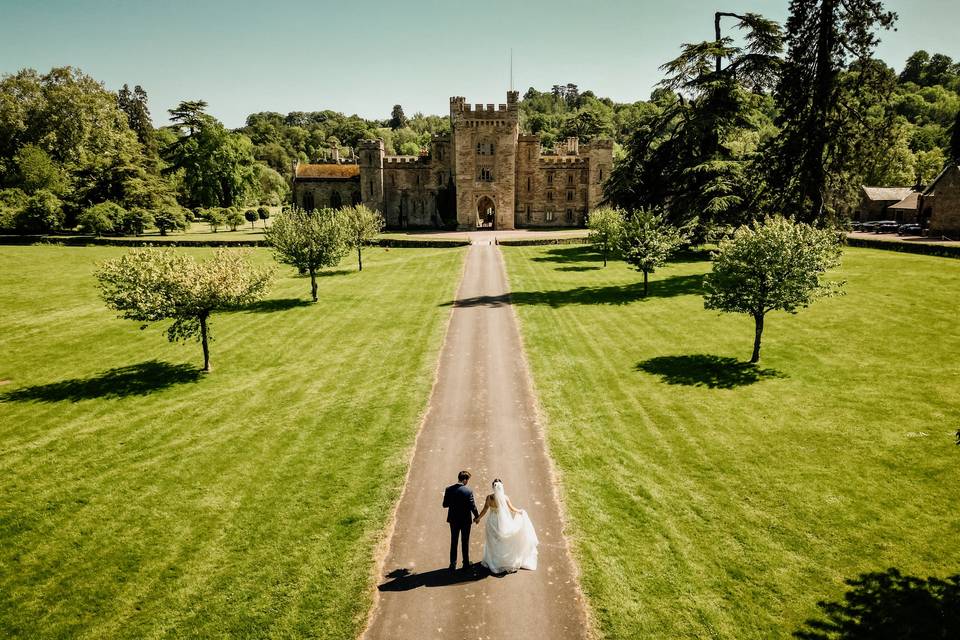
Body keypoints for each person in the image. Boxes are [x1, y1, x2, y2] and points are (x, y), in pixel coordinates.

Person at [474, 479, 539, 574]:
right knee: (502, 540)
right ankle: (502, 560)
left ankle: (493, 561)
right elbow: (512, 509)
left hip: (492, 521)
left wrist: (478, 518)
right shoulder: (505, 498)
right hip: (502, 522)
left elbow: (485, 509)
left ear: (493, 487)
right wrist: (520, 511)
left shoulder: (489, 498)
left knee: (492, 541)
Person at [442, 470, 479, 571]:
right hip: (465, 520)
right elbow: (473, 506)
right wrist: (477, 516)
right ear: (465, 480)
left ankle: (452, 563)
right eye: (468, 480)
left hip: (453, 519)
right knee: (465, 541)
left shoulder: (449, 489)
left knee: (454, 541)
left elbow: (445, 505)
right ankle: (465, 563)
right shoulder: (468, 491)